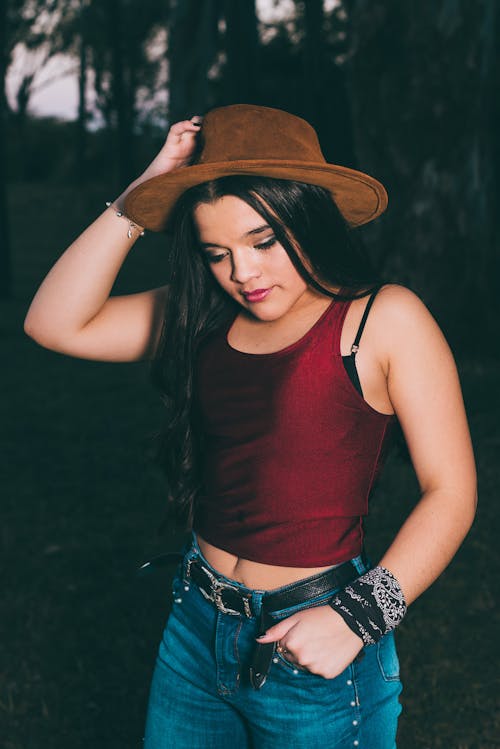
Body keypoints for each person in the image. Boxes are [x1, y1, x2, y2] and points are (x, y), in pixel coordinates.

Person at [24, 104, 477, 749]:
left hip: (315, 635)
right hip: (194, 625)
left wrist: (358, 618)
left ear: (306, 216)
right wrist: (136, 201)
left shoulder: (383, 319)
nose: (243, 273)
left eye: (263, 241)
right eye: (217, 253)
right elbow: (53, 323)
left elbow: (452, 491)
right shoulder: (200, 316)